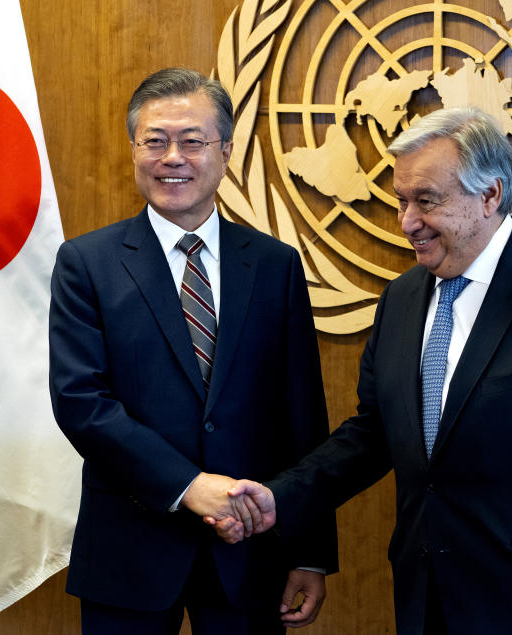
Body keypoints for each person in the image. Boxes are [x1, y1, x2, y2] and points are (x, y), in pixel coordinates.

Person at [212, 107, 512, 635]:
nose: (407, 222)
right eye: (401, 201)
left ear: (490, 196)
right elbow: (372, 435)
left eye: (426, 200)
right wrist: (279, 496)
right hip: (426, 598)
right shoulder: (401, 298)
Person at [48, 67, 337, 634]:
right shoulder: (87, 263)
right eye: (154, 141)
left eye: (192, 141)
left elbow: (302, 417)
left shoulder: (275, 265)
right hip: (129, 551)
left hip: (250, 551)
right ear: (134, 148)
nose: (171, 157)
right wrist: (188, 487)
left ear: (226, 150)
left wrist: (308, 552)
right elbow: (81, 401)